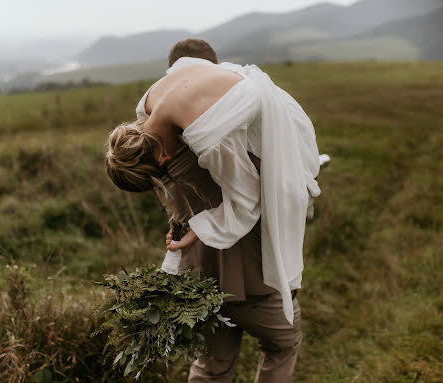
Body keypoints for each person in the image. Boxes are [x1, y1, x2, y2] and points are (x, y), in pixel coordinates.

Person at [106, 39, 321, 382]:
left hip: (203, 279)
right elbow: (247, 197)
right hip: (257, 286)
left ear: (160, 158)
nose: (169, 168)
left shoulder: (209, 136)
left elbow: (245, 195)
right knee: (282, 344)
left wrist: (194, 228)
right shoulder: (149, 107)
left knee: (211, 366)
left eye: (163, 171)